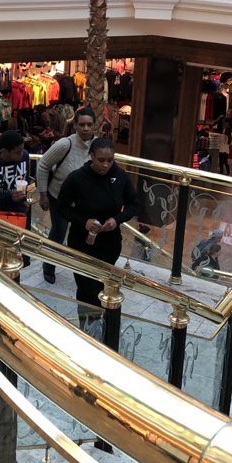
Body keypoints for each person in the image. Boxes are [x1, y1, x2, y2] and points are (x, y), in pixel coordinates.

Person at [57, 137, 137, 331]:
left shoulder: (120, 176)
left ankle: (101, 325)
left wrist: (116, 220)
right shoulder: (77, 178)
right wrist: (84, 222)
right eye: (101, 160)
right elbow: (62, 207)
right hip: (81, 243)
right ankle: (86, 328)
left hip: (109, 244)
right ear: (91, 156)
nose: (106, 165)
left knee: (103, 287)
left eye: (110, 160)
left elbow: (133, 205)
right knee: (86, 289)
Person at [36, 107, 95, 284]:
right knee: (59, 232)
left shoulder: (97, 145)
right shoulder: (65, 144)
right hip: (59, 198)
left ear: (94, 126)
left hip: (84, 201)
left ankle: (81, 268)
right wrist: (43, 194)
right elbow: (43, 165)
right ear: (75, 125)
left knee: (82, 234)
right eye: (82, 124)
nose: (85, 128)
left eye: (89, 124)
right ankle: (48, 266)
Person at [0, 130, 32, 259]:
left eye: (22, 150)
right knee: (2, 256)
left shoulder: (25, 157)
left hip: (19, 214)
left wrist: (23, 199)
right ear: (6, 150)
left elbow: (25, 180)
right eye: (17, 152)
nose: (21, 154)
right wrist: (10, 196)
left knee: (21, 253)